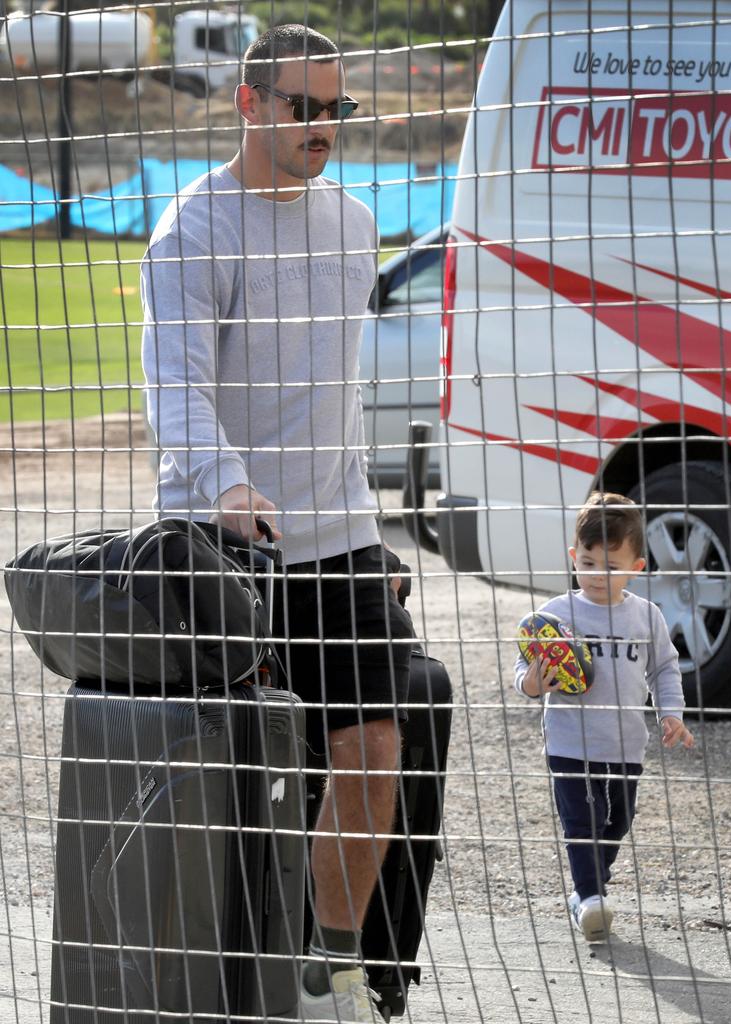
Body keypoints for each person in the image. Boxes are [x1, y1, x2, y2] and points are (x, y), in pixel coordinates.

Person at [140, 25, 412, 1023]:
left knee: (376, 748)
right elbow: (174, 387)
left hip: (338, 541)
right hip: (226, 545)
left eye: (336, 109)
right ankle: (216, 983)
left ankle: (330, 969)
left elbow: (337, 397)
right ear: (250, 104)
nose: (323, 127)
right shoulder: (191, 228)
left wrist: (370, 532)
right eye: (304, 107)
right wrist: (226, 484)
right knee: (244, 780)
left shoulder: (354, 224)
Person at [515, 492, 694, 942]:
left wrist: (671, 712)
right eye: (589, 563)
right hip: (569, 743)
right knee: (582, 823)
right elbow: (524, 668)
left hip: (625, 745)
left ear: (638, 566)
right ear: (574, 557)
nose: (598, 575)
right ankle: (591, 896)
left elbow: (664, 669)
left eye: (612, 566)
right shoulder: (554, 615)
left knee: (619, 821)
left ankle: (588, 887)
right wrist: (534, 683)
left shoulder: (646, 617)